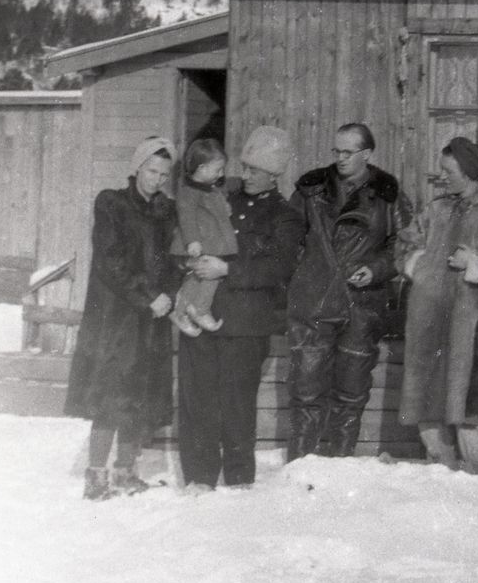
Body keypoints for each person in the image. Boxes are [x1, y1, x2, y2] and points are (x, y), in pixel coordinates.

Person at [178, 127, 304, 490]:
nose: (243, 174)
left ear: (273, 174)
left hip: (245, 325)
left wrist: (228, 268)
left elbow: (279, 267)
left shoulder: (285, 216)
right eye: (244, 167)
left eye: (252, 170)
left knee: (236, 406)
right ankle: (198, 479)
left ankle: (237, 482)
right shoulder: (222, 200)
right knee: (196, 400)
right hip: (201, 315)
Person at [395, 138, 478, 474]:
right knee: (430, 408)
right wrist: (422, 265)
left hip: (476, 335)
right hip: (430, 331)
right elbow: (404, 247)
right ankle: (438, 473)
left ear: (468, 172)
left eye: (448, 171)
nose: (442, 177)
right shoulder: (435, 210)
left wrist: (477, 262)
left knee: (473, 409)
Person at [285, 121, 412, 459]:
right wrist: (308, 275)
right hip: (313, 306)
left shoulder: (388, 194)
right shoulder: (310, 190)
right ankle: (298, 474)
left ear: (366, 154)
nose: (340, 158)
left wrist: (377, 270)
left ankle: (340, 471)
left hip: (362, 307)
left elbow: (405, 245)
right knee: (306, 392)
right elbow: (289, 239)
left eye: (348, 152)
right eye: (336, 151)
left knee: (351, 395)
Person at [63, 135, 179, 500]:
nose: (156, 179)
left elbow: (173, 262)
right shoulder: (111, 204)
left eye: (163, 174)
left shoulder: (166, 212)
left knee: (140, 395)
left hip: (153, 317)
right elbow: (111, 262)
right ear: (137, 167)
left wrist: (168, 297)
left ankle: (125, 472)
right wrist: (150, 297)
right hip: (116, 318)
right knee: (111, 395)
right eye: (151, 170)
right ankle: (96, 477)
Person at [169, 137, 238, 335]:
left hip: (213, 242)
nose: (221, 174)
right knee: (206, 276)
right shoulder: (188, 192)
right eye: (218, 169)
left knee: (202, 276)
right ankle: (198, 309)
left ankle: (185, 310)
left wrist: (225, 207)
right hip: (200, 243)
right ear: (201, 168)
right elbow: (186, 216)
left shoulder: (212, 189)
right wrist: (192, 241)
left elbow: (217, 206)